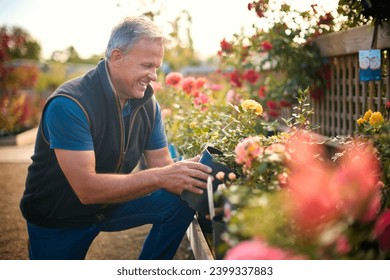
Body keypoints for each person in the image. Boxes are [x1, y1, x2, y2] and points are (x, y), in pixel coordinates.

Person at [19, 16, 212, 260]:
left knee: (182, 201)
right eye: (146, 65)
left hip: (109, 205)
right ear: (117, 57)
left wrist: (188, 171)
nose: (153, 75)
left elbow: (162, 166)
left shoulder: (147, 104)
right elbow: (87, 190)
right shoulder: (70, 104)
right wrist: (162, 176)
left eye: (156, 67)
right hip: (58, 218)